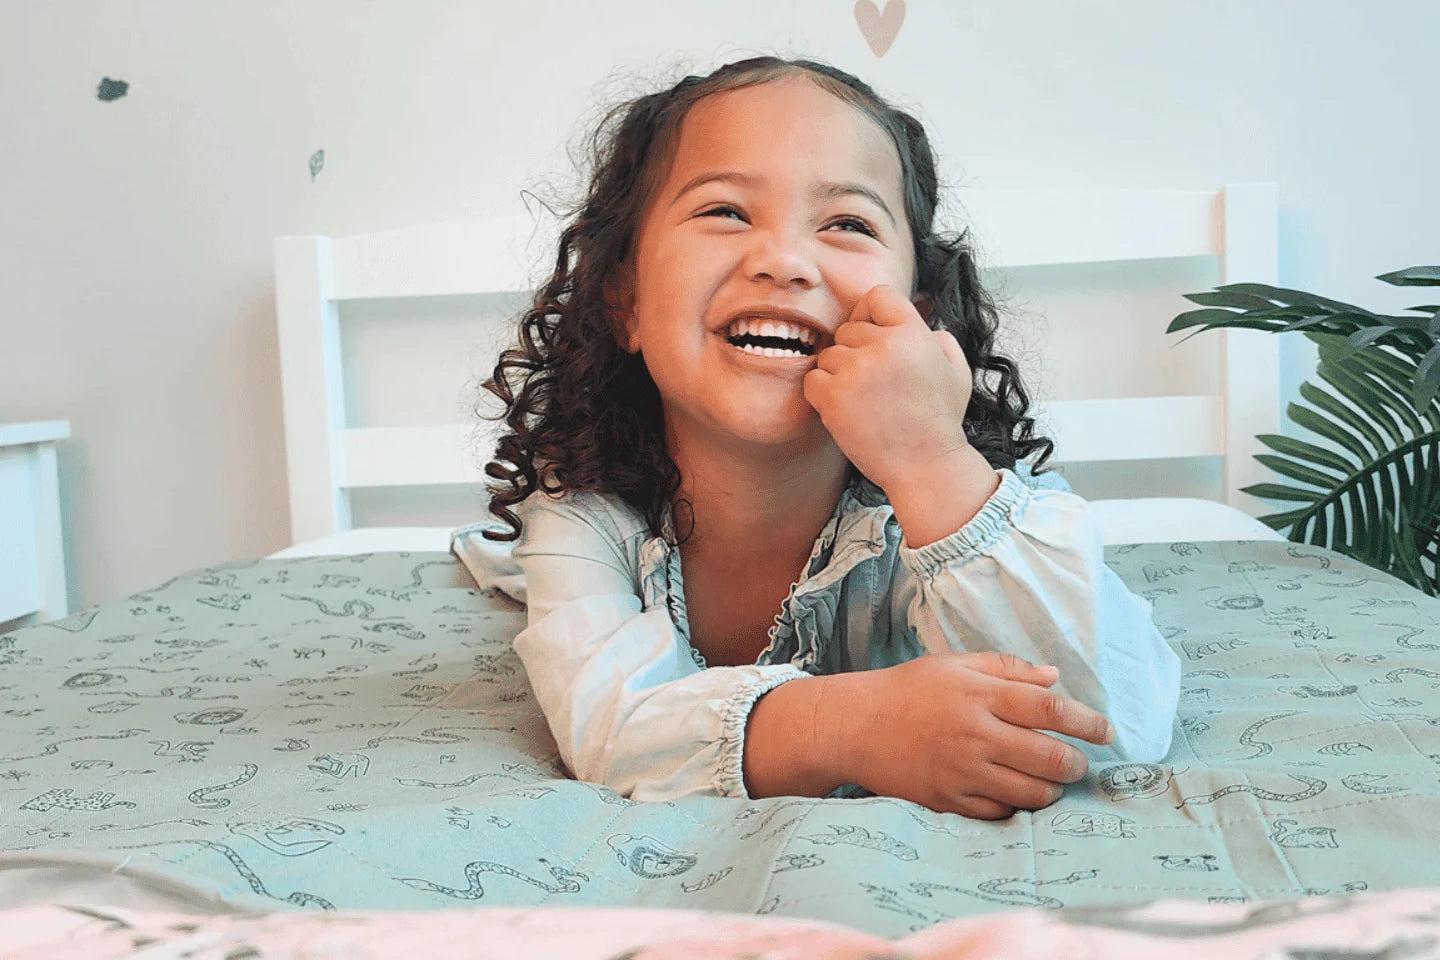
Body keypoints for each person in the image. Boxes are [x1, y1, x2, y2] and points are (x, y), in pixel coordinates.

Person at [454, 55, 1181, 820]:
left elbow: (1117, 723)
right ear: (625, 298)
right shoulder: (584, 512)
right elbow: (608, 726)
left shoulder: (961, 508)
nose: (784, 261)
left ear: (919, 314)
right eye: (726, 212)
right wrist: (852, 728)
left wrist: (933, 463)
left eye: (848, 224)